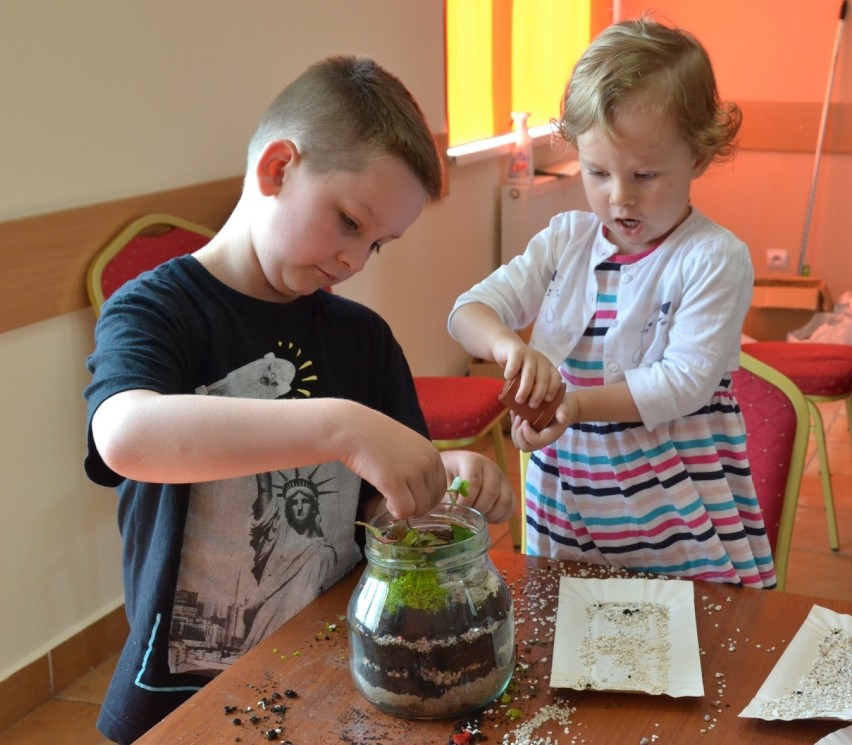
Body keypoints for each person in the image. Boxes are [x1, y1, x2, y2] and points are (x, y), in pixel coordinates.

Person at [84, 55, 515, 744]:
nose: (354, 259)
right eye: (349, 221)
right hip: (179, 689)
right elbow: (125, 435)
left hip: (330, 668)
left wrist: (443, 481)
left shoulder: (363, 338)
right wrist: (338, 426)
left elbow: (380, 503)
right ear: (278, 169)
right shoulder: (159, 310)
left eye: (377, 244)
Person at [449, 17, 776, 589]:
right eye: (597, 172)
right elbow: (470, 310)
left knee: (685, 647)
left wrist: (570, 405)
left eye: (645, 174)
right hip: (568, 507)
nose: (619, 197)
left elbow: (683, 383)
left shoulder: (712, 258)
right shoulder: (564, 241)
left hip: (673, 518)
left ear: (699, 156)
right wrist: (508, 347)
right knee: (569, 633)